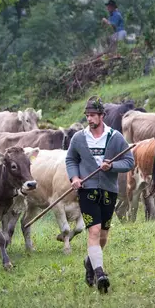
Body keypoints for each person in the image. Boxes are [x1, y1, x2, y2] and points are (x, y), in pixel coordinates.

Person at [65, 95, 134, 293]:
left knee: (103, 235)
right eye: (87, 115)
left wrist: (112, 165)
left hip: (109, 192)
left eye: (93, 115)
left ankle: (90, 261)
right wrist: (75, 178)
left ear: (102, 115)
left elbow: (129, 162)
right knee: (93, 231)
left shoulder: (115, 137)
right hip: (87, 191)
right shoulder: (79, 138)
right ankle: (100, 273)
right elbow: (70, 160)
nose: (89, 119)